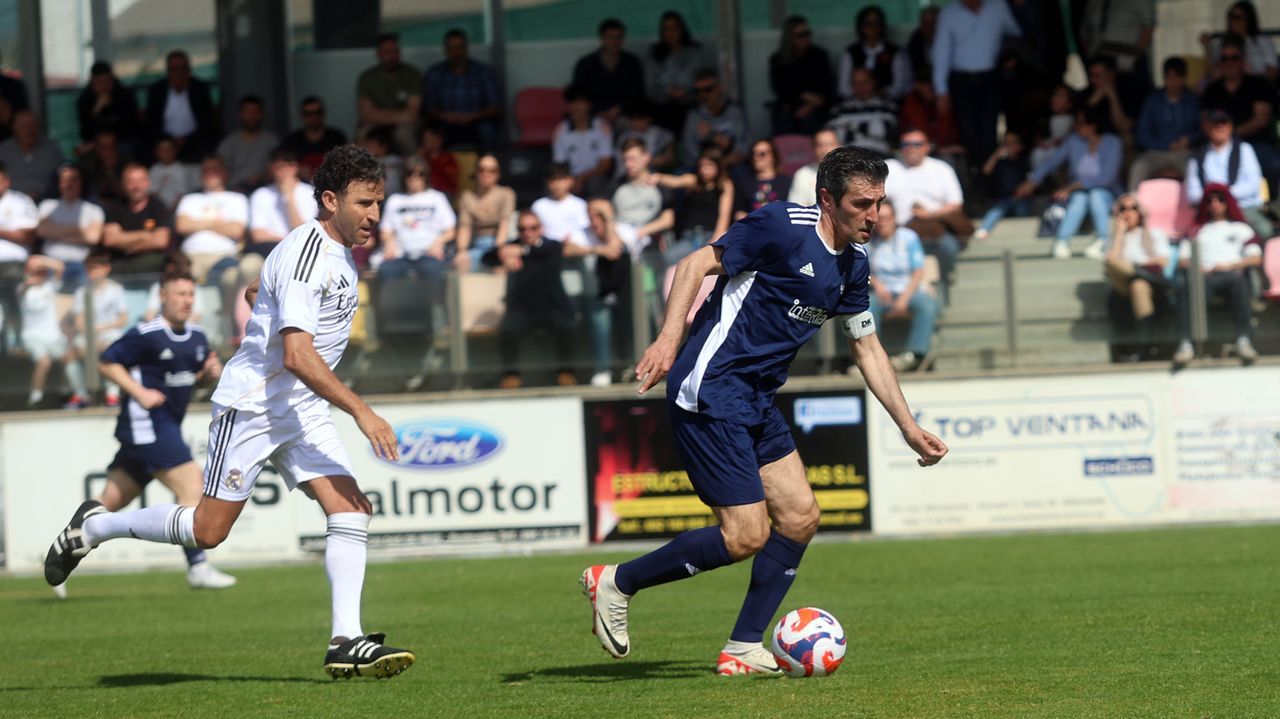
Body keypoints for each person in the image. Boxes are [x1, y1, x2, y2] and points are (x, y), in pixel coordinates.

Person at [44, 145, 417, 680]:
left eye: (379, 203)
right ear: (330, 200)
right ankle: (98, 526)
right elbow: (296, 354)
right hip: (256, 405)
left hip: (302, 405)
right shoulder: (308, 249)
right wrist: (363, 411)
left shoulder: (332, 251)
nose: (374, 215)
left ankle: (346, 640)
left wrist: (263, 292)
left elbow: (278, 294)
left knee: (352, 509)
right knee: (208, 529)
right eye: (364, 203)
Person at [580, 146, 947, 675]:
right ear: (827, 199)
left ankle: (742, 647)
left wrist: (908, 426)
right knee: (745, 535)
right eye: (862, 203)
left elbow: (866, 346)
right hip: (711, 388)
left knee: (800, 518)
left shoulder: (854, 265)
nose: (875, 215)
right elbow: (693, 264)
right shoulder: (782, 225)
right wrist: (668, 338)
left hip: (756, 398)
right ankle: (616, 582)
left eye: (880, 203)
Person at [55, 270, 238, 595]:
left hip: (162, 425)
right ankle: (198, 567)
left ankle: (63, 550)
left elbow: (189, 381)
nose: (186, 301)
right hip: (147, 423)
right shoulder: (146, 334)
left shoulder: (197, 337)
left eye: (190, 295)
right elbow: (107, 362)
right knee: (192, 485)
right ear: (163, 297)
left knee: (109, 501)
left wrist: (208, 377)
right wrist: (138, 393)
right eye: (179, 294)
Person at [486, 210, 597, 389]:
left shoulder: (551, 246)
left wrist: (521, 251)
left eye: (533, 228)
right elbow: (487, 258)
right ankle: (511, 375)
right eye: (523, 229)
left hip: (552, 307)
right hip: (521, 309)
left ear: (540, 229)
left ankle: (565, 372)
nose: (528, 233)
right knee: (508, 329)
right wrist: (503, 254)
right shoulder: (511, 248)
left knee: (566, 326)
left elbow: (546, 252)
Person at [1172, 184, 1262, 368]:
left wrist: (1231, 265)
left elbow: (1255, 258)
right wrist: (1199, 268)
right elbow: (1182, 260)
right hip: (1204, 277)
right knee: (1185, 284)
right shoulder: (1196, 230)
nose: (1215, 204)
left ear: (1228, 202)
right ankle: (1186, 343)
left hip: (1232, 276)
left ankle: (1243, 340)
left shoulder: (1241, 228)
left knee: (1239, 281)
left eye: (1220, 199)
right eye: (1210, 200)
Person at [1016, 107, 1122, 260]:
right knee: (1079, 199)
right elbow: (1051, 162)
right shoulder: (1074, 141)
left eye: (1080, 123)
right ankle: (1062, 241)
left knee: (1096, 195)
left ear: (1093, 125)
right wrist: (1033, 181)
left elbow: (1106, 178)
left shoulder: (1113, 142)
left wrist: (1073, 186)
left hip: (1107, 191)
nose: (1076, 127)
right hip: (1079, 193)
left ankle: (1103, 240)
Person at [932, 0, 1021, 169]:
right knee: (967, 131)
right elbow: (941, 51)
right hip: (961, 80)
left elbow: (1015, 34)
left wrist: (1011, 56)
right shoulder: (949, 13)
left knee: (990, 129)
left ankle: (989, 175)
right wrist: (941, 89)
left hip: (991, 77)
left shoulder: (998, 6)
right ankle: (973, 176)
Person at [884, 129, 968, 290]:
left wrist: (929, 214)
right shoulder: (888, 167)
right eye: (906, 144)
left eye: (917, 144)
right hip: (899, 230)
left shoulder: (941, 169)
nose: (911, 148)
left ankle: (943, 282)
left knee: (949, 248)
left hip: (935, 231)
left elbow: (956, 204)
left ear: (927, 147)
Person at [1199, 33, 1280, 198]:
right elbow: (1204, 121)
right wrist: (1223, 138)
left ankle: (1272, 207)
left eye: (1234, 58)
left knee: (1273, 165)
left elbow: (1261, 120)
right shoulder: (1212, 90)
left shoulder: (1258, 84)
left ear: (1242, 60)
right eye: (1224, 58)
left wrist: (1232, 133)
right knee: (1201, 166)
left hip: (1256, 142)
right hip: (1220, 144)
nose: (1229, 63)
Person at [866, 203, 939, 372]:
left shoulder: (908, 237)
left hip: (908, 289)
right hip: (881, 292)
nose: (883, 222)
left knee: (927, 304)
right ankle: (872, 356)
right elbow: (860, 270)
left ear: (894, 219)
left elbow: (918, 271)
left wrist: (905, 297)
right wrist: (877, 284)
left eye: (887, 218)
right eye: (879, 219)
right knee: (866, 307)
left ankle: (915, 354)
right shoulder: (867, 240)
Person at [376, 156, 457, 306]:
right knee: (385, 270)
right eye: (409, 174)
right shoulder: (395, 200)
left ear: (426, 176)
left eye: (419, 174)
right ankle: (392, 317)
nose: (414, 178)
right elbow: (385, 231)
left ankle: (435, 317)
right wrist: (390, 242)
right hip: (401, 255)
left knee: (433, 271)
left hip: (429, 254)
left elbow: (451, 230)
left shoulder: (437, 198)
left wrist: (439, 242)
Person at [1103, 193, 1172, 362]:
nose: (1128, 212)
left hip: (1151, 283)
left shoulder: (1154, 234)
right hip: (1122, 284)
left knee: (1139, 285)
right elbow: (1111, 263)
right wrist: (1119, 233)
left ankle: (1143, 345)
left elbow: (1162, 261)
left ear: (1140, 212)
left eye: (1133, 208)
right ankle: (1143, 345)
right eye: (1123, 209)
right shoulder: (1113, 239)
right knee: (1113, 262)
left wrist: (1136, 267)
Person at [1185, 109, 1272, 240]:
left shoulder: (1245, 149)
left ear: (1230, 126)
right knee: (1192, 238)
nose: (1220, 126)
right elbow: (1192, 194)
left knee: (1265, 230)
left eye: (1224, 123)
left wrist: (1224, 195)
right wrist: (1214, 201)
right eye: (1215, 123)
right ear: (1207, 127)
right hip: (1210, 212)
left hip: (1244, 208)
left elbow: (1253, 184)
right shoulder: (1197, 156)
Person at [64, 250, 128, 408]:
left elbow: (122, 319)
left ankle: (112, 394)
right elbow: (78, 322)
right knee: (70, 354)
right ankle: (80, 395)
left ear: (106, 268)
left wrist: (101, 329)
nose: (91, 272)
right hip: (88, 336)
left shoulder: (116, 289)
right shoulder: (82, 292)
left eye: (95, 268)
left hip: (109, 334)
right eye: (89, 269)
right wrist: (91, 334)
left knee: (110, 351)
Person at [651, 145, 735, 264]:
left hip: (710, 236)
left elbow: (724, 217)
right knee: (669, 257)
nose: (704, 170)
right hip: (689, 237)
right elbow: (675, 181)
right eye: (702, 165)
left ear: (718, 166)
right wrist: (658, 178)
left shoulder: (725, 185)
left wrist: (714, 242)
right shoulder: (694, 181)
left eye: (710, 165)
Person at [422, 28, 501, 149]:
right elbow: (429, 108)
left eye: (460, 47)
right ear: (445, 49)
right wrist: (450, 116)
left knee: (488, 130)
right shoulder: (435, 73)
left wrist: (472, 116)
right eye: (451, 48)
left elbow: (495, 107)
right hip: (446, 121)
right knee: (432, 132)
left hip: (476, 120)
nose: (456, 52)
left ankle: (490, 165)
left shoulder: (483, 72)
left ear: (467, 47)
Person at [175, 155, 248, 286]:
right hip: (190, 257)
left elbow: (237, 231)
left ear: (225, 173)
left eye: (215, 169)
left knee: (232, 276)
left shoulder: (237, 199)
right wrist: (218, 223)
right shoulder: (189, 198)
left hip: (224, 256)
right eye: (206, 170)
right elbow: (182, 226)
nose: (210, 173)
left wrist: (198, 223)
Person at [1129, 57, 1200, 191]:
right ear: (1164, 78)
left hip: (1185, 153)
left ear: (1184, 78)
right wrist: (1165, 145)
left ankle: (1198, 208)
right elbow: (1142, 135)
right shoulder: (1153, 101)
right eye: (1169, 77)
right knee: (1139, 167)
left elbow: (1202, 130)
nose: (1173, 82)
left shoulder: (1193, 100)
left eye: (1177, 77)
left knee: (1195, 171)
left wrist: (1189, 140)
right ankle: (1131, 207)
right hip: (1156, 152)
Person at [36, 164, 104, 293]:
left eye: (74, 180)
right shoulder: (47, 206)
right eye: (65, 180)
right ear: (59, 183)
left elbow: (92, 238)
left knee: (80, 308)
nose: (69, 184)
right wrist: (78, 230)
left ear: (81, 182)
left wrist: (55, 231)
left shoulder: (93, 210)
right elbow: (42, 231)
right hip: (50, 264)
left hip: (79, 266)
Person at [101, 163, 173, 279]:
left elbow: (161, 241)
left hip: (151, 264)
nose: (136, 186)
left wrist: (127, 244)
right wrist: (146, 235)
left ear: (148, 183)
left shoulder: (158, 206)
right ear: (123, 185)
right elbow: (110, 239)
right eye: (131, 182)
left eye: (140, 181)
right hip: (120, 263)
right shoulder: (114, 207)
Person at [144, 50, 218, 163]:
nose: (179, 74)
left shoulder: (199, 89)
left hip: (194, 141)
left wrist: (187, 140)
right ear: (168, 72)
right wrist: (169, 141)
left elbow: (207, 123)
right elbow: (152, 124)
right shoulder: (157, 91)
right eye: (174, 69)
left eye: (183, 68)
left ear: (189, 70)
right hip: (165, 142)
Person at [355, 33, 423, 154]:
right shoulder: (367, 77)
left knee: (403, 135)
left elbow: (412, 114)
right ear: (378, 54)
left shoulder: (412, 74)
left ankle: (414, 168)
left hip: (404, 125)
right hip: (377, 124)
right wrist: (400, 115)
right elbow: (366, 114)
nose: (391, 56)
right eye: (387, 52)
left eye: (395, 51)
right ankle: (364, 171)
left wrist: (378, 115)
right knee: (362, 134)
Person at [769, 15, 835, 137]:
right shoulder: (778, 59)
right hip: (790, 106)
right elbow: (780, 87)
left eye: (807, 33)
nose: (805, 38)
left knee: (811, 119)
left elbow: (827, 87)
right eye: (800, 35)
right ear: (790, 38)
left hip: (817, 106)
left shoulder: (819, 56)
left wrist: (809, 105)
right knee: (784, 119)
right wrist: (803, 96)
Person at [572, 18, 644, 125]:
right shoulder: (585, 64)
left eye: (618, 38)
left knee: (631, 127)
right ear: (602, 38)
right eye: (610, 37)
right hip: (592, 114)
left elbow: (637, 94)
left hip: (624, 115)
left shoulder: (632, 63)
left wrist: (619, 109)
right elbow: (579, 95)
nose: (615, 42)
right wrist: (598, 112)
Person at [645, 11, 707, 134]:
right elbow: (652, 83)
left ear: (681, 29)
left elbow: (699, 80)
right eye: (666, 29)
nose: (670, 33)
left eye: (674, 28)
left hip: (690, 106)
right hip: (662, 107)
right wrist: (667, 91)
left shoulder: (694, 53)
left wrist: (685, 92)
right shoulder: (655, 53)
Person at [0, 160, 39, 348]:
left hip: (13, 267)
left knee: (16, 308)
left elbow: (28, 236)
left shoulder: (20, 201)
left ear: (6, 180)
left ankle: (19, 347)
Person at [19, 255, 67, 406]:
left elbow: (60, 267)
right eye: (35, 272)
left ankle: (68, 393)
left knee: (68, 358)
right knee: (43, 361)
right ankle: (36, 396)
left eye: (42, 272)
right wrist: (30, 275)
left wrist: (41, 260)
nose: (39, 275)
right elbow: (23, 289)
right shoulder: (22, 288)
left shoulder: (50, 286)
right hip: (32, 336)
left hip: (54, 336)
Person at [456, 153, 515, 272]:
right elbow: (464, 227)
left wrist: (498, 250)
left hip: (499, 242)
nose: (486, 174)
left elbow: (504, 224)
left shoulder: (506, 194)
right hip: (476, 243)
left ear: (497, 174)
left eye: (491, 170)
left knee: (505, 264)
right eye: (482, 169)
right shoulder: (467, 197)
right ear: (476, 172)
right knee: (459, 264)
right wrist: (462, 251)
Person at [838, 5, 911, 101]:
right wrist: (862, 95)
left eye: (877, 23)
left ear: (882, 26)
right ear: (861, 26)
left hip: (887, 103)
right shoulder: (850, 52)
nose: (872, 27)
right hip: (855, 104)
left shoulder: (895, 52)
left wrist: (880, 94)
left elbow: (902, 86)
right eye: (868, 23)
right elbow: (843, 88)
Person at [553, 86, 613, 197]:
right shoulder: (561, 129)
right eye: (572, 102)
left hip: (594, 177)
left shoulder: (602, 127)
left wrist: (582, 178)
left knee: (595, 183)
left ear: (589, 104)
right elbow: (560, 165)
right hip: (570, 179)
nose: (575, 107)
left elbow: (605, 164)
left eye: (580, 102)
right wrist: (570, 181)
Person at [682, 70, 750, 168]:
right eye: (697, 91)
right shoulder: (693, 116)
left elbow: (743, 145)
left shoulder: (736, 111)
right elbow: (689, 151)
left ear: (719, 88)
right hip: (704, 169)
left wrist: (711, 135)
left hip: (733, 166)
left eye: (708, 89)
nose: (703, 95)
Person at [827, 68, 899, 157]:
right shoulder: (840, 108)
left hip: (879, 156)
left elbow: (885, 131)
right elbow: (832, 135)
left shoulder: (887, 106)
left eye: (865, 82)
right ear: (851, 85)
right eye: (856, 83)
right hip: (848, 157)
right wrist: (868, 126)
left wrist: (849, 125)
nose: (860, 87)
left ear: (873, 82)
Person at [974, 130, 1031, 241]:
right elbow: (986, 170)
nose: (1008, 146)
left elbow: (1031, 182)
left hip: (1021, 199)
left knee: (1021, 210)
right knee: (997, 209)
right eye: (1006, 142)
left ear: (1020, 146)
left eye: (1012, 143)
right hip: (1002, 200)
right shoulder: (1000, 162)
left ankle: (1021, 236)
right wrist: (997, 154)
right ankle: (984, 229)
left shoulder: (1024, 162)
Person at [76, 61, 142, 154]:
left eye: (107, 82)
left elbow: (130, 128)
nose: (104, 86)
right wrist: (96, 110)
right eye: (99, 82)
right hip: (96, 144)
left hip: (122, 141)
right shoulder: (85, 99)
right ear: (92, 82)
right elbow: (85, 134)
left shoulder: (125, 96)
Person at [217, 95, 279, 193]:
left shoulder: (272, 141)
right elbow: (219, 172)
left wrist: (261, 177)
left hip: (265, 191)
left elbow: (278, 169)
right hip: (235, 191)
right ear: (240, 114)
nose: (252, 115)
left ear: (262, 114)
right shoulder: (229, 143)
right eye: (247, 112)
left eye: (256, 112)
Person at [1201, 1, 1277, 82]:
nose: (1232, 21)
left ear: (1248, 20)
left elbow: (1273, 70)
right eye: (1230, 16)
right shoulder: (1221, 43)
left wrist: (1254, 83)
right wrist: (1206, 47)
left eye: (1237, 17)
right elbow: (1213, 72)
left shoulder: (1263, 41)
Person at [0, 109, 64, 200]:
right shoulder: (3, 151)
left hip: (46, 202)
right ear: (14, 127)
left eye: (33, 125)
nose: (29, 130)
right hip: (10, 205)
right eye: (24, 126)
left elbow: (63, 177)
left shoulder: (51, 149)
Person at [280, 96, 347, 183]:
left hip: (332, 187)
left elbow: (347, 165)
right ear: (302, 115)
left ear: (324, 113)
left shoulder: (337, 137)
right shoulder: (292, 140)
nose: (314, 117)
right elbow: (280, 166)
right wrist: (297, 170)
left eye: (318, 112)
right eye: (309, 113)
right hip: (300, 190)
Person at [1076, 55, 1136, 138]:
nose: (1092, 80)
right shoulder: (1085, 94)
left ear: (1111, 75)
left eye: (1097, 76)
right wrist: (1093, 101)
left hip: (1116, 142)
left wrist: (1112, 97)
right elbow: (1081, 127)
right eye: (1091, 75)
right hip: (1090, 142)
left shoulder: (1127, 92)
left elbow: (1124, 127)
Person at [531, 163, 590, 248]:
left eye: (562, 179)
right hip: (547, 249)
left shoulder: (580, 205)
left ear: (571, 181)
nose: (557, 184)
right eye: (553, 180)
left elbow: (585, 231)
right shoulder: (538, 205)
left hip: (575, 249)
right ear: (547, 182)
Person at [613, 99, 676, 174]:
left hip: (652, 177)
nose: (636, 122)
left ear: (649, 118)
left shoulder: (661, 134)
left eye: (640, 118)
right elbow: (621, 164)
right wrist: (649, 161)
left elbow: (669, 158)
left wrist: (661, 160)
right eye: (633, 119)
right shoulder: (624, 137)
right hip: (625, 177)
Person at [734, 139, 792, 219]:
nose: (756, 157)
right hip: (751, 227)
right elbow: (738, 211)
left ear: (773, 156)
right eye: (754, 154)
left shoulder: (786, 182)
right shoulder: (744, 182)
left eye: (762, 154)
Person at [788, 128, 841, 206]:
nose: (824, 150)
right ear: (813, 148)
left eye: (829, 144)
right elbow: (795, 208)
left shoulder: (851, 173)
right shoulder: (802, 175)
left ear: (839, 146)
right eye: (820, 145)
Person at [80, 128, 131, 204]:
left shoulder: (125, 160)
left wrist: (110, 171)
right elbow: (88, 193)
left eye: (112, 146)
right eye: (104, 147)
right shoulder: (88, 164)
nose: (109, 150)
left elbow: (127, 192)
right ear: (96, 149)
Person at [148, 135, 197, 210]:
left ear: (175, 151)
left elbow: (182, 193)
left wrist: (172, 209)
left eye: (169, 150)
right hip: (157, 210)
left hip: (178, 208)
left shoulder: (181, 169)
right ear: (157, 152)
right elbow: (152, 192)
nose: (166, 153)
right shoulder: (154, 170)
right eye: (162, 150)